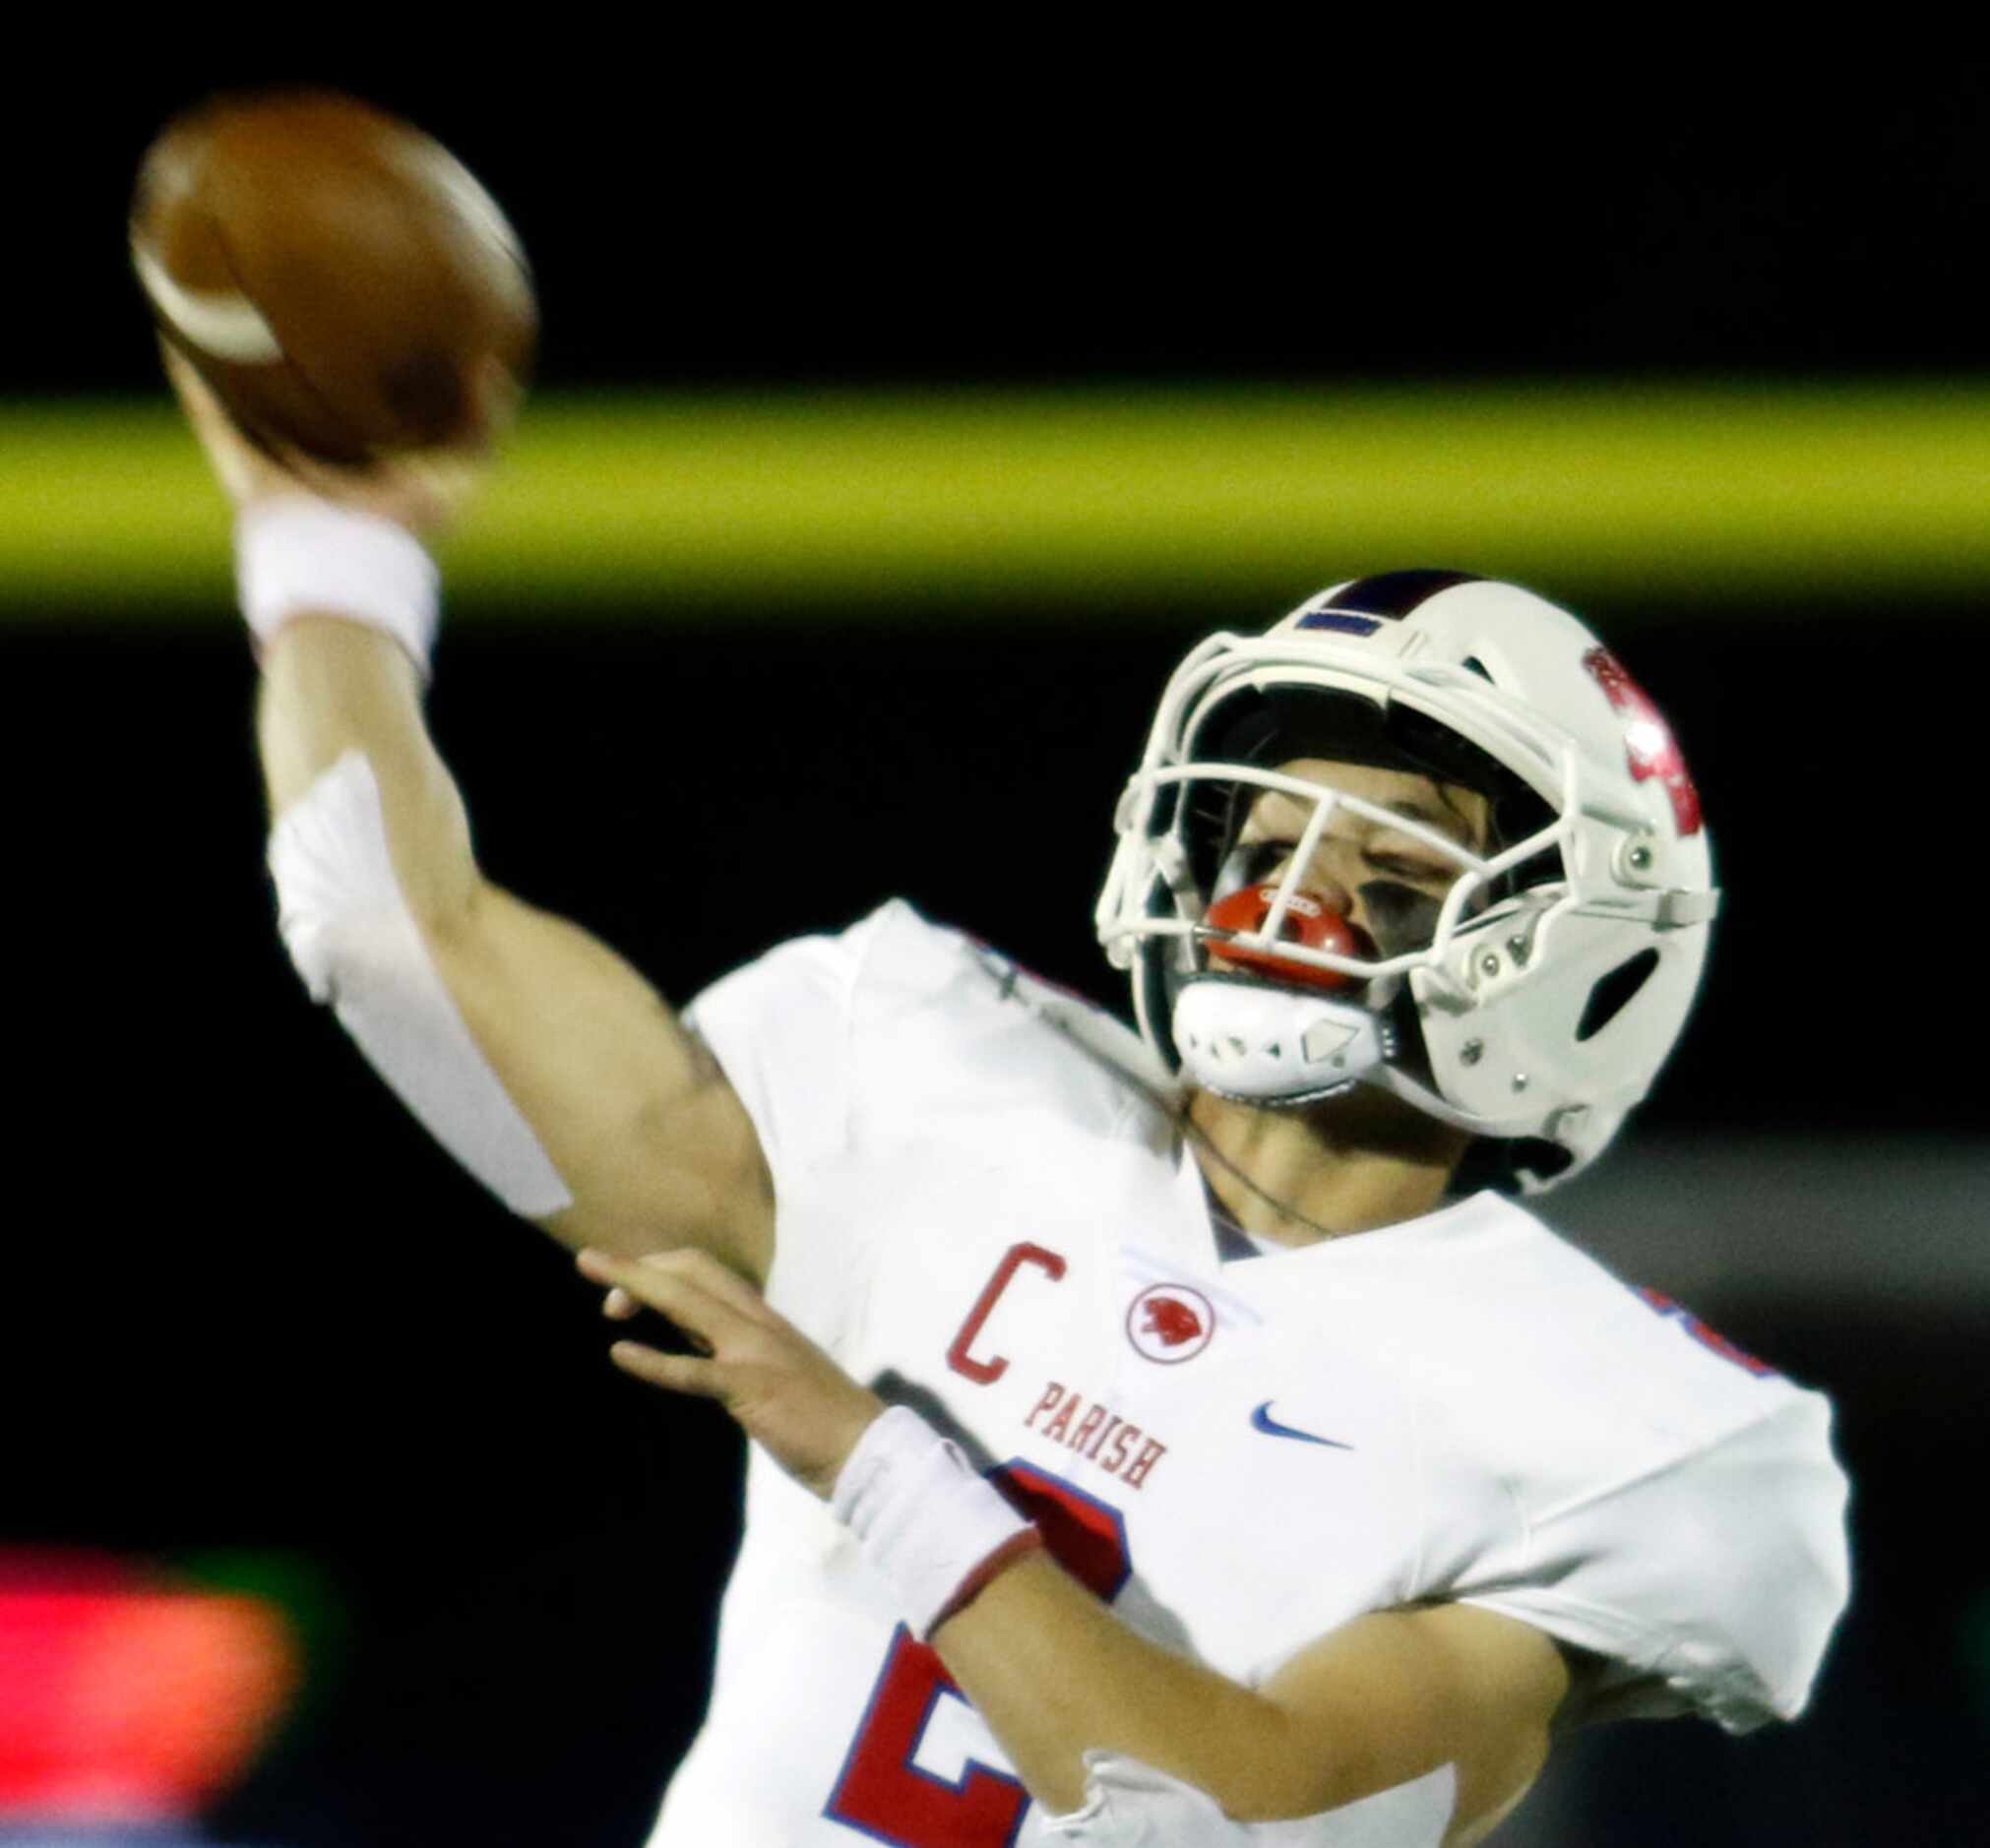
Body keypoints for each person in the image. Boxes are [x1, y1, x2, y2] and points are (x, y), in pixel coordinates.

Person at [164, 350, 1850, 1847]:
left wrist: (884, 1461)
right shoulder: (935, 1078)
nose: (1289, 894)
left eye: (1387, 863)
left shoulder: (1621, 1437)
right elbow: (385, 928)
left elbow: (1223, 1823)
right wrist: (334, 540)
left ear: (1573, 959)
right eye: (1262, 839)